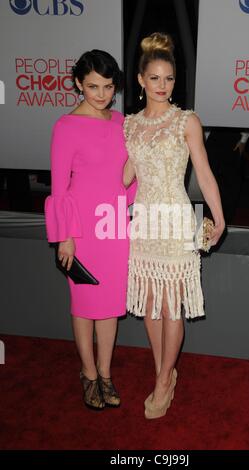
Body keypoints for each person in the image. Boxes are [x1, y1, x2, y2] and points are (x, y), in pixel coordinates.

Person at [123, 33, 225, 419]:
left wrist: (219, 216)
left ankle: (164, 379)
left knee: (171, 308)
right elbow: (126, 175)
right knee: (150, 304)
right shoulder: (130, 126)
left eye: (168, 78)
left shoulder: (187, 121)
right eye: (155, 78)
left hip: (177, 220)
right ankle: (162, 370)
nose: (162, 85)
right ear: (140, 80)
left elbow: (205, 172)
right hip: (145, 221)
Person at [44, 50, 136, 411]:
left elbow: (128, 178)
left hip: (114, 224)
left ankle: (106, 373)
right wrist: (65, 235)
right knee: (84, 304)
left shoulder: (121, 122)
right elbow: (58, 186)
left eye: (109, 87)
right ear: (78, 84)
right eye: (93, 86)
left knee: (110, 305)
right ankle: (88, 374)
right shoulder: (66, 126)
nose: (101, 94)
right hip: (81, 229)